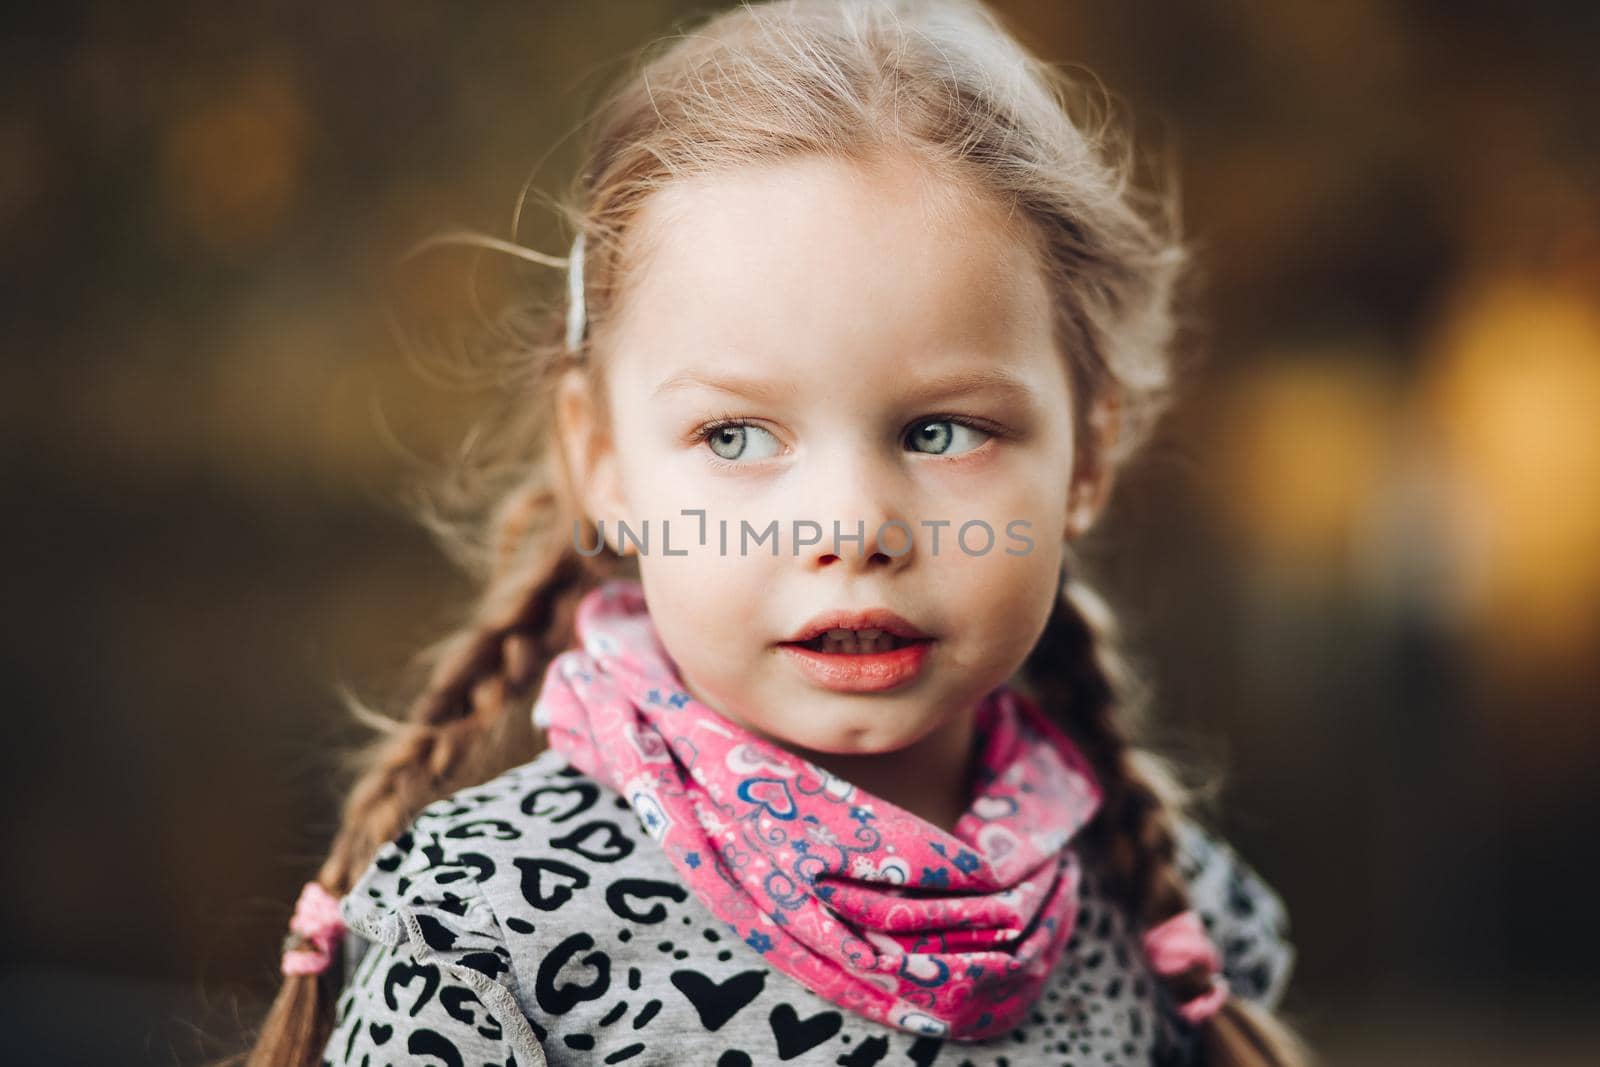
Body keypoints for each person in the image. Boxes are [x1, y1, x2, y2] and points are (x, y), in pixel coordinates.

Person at [243, 1, 1314, 1063]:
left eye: (941, 430)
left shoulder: (1162, 908)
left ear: (1085, 452)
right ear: (601, 459)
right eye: (737, 434)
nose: (851, 529)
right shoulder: (488, 929)